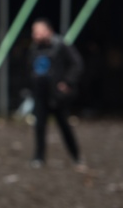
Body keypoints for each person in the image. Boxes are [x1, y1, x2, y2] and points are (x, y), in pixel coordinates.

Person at [27, 18, 83, 168]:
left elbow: (76, 64)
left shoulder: (60, 45)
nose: (35, 34)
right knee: (39, 127)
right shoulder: (34, 48)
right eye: (34, 31)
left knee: (64, 126)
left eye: (38, 31)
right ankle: (39, 158)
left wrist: (67, 82)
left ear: (48, 31)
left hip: (57, 96)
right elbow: (30, 68)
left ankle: (76, 156)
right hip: (40, 94)